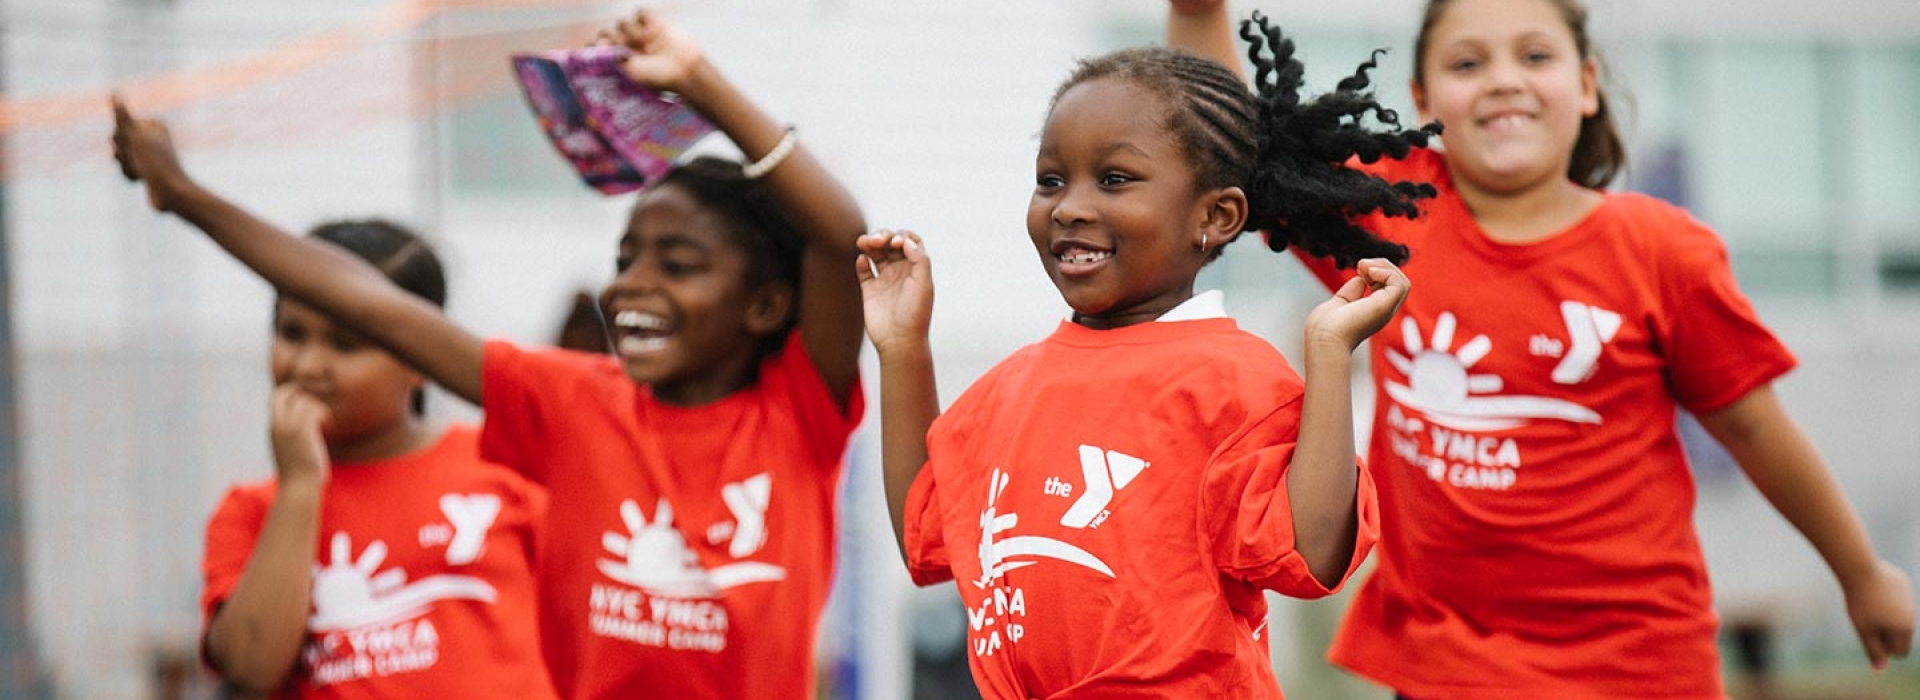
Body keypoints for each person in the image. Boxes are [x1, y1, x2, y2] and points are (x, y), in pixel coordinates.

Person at [1166, 1, 1917, 697]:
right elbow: (1245, 152)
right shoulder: (1391, 215)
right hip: (1442, 665)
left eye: (1534, 56)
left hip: (1635, 667)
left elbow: (1756, 429)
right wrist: (1195, 12)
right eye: (1467, 64)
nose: (1502, 82)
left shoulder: (1661, 252)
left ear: (1586, 85)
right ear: (1423, 100)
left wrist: (1859, 573)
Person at [113, 9, 867, 700]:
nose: (630, 287)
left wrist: (700, 83)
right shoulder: (572, 402)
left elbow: (838, 235)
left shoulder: (798, 414)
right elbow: (368, 303)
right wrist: (184, 196)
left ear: (766, 305)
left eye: (676, 265)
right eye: (626, 258)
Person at [857, 12, 1437, 697]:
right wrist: (901, 348)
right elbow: (929, 534)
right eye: (1051, 180)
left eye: (1114, 179)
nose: (1070, 206)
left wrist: (1330, 353)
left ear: (1215, 217)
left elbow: (1310, 555)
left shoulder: (1234, 376)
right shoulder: (1009, 385)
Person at [190, 220, 557, 700]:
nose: (307, 365)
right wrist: (301, 486)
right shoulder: (251, 512)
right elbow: (251, 665)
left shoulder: (506, 469)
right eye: (292, 333)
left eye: (345, 343)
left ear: (421, 357)